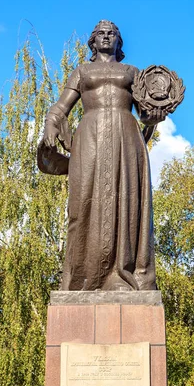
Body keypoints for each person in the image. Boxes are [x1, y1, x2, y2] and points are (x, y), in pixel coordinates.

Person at [41, 20, 166, 291]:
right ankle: (81, 279)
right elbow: (62, 106)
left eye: (112, 34)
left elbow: (145, 112)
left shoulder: (132, 72)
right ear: (93, 41)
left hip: (126, 136)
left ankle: (123, 275)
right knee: (83, 204)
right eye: (101, 34)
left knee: (127, 206)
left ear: (119, 42)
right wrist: (51, 123)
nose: (106, 37)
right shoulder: (82, 72)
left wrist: (154, 117)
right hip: (90, 137)